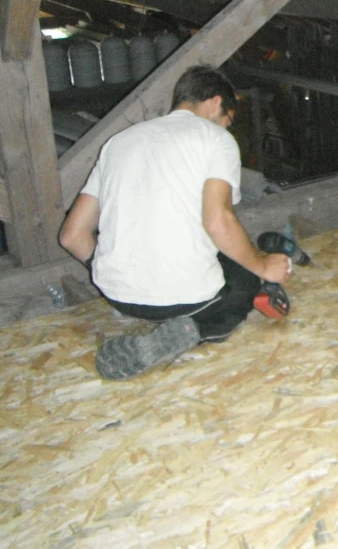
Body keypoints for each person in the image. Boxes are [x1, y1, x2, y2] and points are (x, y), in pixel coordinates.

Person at [59, 65, 291, 380]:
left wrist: (120, 273)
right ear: (214, 103)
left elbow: (72, 236)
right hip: (185, 301)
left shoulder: (119, 142)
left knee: (225, 256)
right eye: (228, 118)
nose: (227, 126)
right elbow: (218, 222)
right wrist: (262, 267)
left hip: (118, 297)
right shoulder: (216, 139)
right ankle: (194, 330)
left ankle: (160, 315)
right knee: (246, 280)